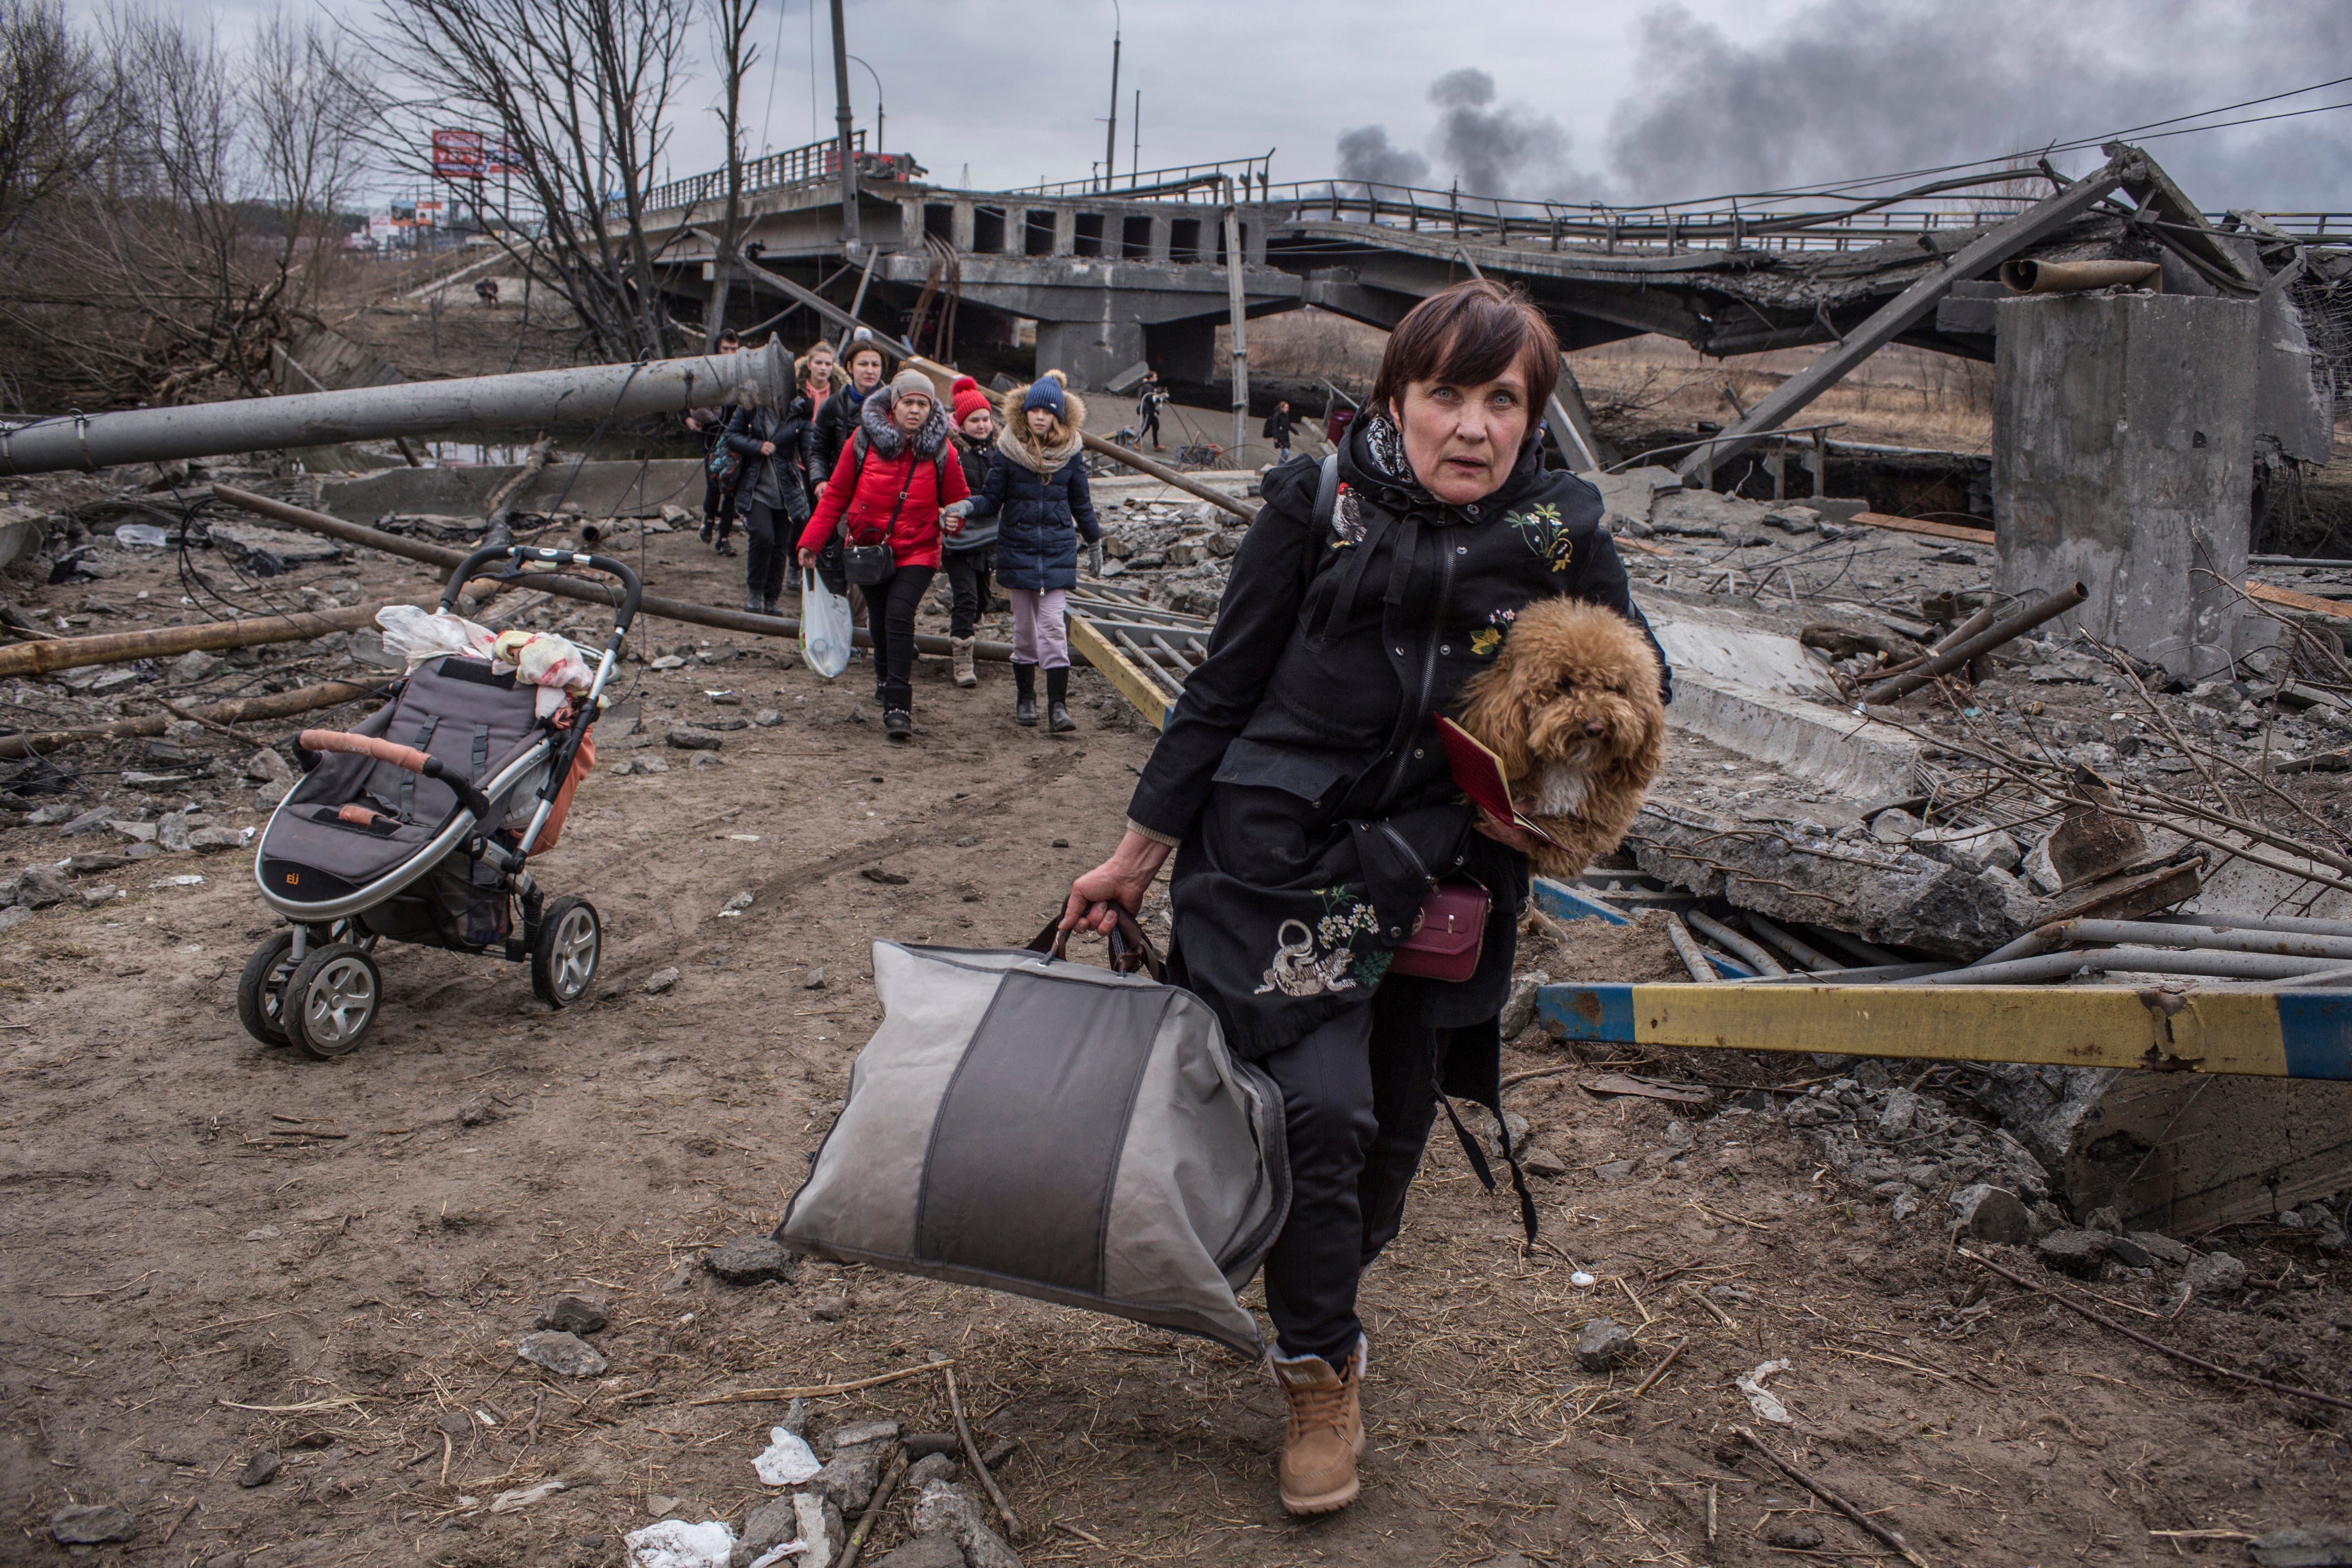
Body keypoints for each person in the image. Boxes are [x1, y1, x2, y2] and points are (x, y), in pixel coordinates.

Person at [1057, 280, 1671, 1517]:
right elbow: (1219, 689)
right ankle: (1317, 1368)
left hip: (1444, 878)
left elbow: (1635, 696)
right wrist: (1137, 854)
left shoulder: (1561, 533)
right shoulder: (1315, 503)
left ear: (1531, 415)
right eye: (1445, 392)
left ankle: (1308, 1268)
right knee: (1320, 1115)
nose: (1471, 425)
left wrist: (1543, 804)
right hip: (1282, 861)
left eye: (1502, 400)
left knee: (1390, 1136)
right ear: (1396, 396)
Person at [798, 369, 969, 741]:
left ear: (931, 409)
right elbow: (837, 497)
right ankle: (882, 675)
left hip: (920, 548)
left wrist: (955, 520)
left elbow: (958, 500)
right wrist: (810, 542)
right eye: (908, 402)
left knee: (899, 614)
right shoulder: (861, 441)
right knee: (878, 619)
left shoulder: (942, 449)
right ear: (893, 405)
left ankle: (898, 704)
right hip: (868, 548)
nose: (915, 411)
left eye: (922, 404)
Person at [944, 370, 1101, 733]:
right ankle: (1026, 697)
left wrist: (1094, 540)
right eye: (1035, 411)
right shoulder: (1009, 451)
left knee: (1051, 626)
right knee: (1025, 632)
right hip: (1018, 549)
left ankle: (1058, 707)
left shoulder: (1071, 453)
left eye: (1048, 412)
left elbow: (1082, 502)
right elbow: (992, 498)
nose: (1041, 417)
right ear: (1025, 413)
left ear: (1058, 416)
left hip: (1057, 552)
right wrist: (967, 507)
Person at [943, 375, 999, 690]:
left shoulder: (997, 454)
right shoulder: (951, 453)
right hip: (958, 537)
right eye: (974, 420)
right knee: (965, 598)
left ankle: (966, 630)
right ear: (960, 423)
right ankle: (962, 660)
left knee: (981, 601)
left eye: (985, 419)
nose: (981, 425)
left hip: (987, 537)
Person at [688, 328, 745, 555]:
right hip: (712, 435)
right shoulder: (707, 370)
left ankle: (724, 537)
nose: (730, 353)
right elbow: (686, 398)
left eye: (734, 349)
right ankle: (709, 518)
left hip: (737, 434)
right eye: (725, 349)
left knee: (731, 486)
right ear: (717, 349)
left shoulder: (742, 372)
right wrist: (688, 419)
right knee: (714, 482)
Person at [808, 332, 886, 491]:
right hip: (842, 485)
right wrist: (820, 480)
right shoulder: (833, 405)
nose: (870, 371)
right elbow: (818, 450)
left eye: (875, 365)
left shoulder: (893, 405)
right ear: (850, 367)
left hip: (881, 489)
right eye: (863, 364)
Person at [1136, 369, 1167, 451]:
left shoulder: (1151, 386)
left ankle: (1156, 445)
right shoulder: (1147, 386)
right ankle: (1135, 441)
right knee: (1145, 427)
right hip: (1148, 411)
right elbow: (1150, 398)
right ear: (1151, 378)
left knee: (1156, 426)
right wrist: (1158, 398)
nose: (1157, 378)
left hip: (1152, 410)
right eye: (1155, 377)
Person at [1263, 398, 1297, 464]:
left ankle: (1282, 464)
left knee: (1286, 453)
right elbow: (1274, 428)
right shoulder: (1277, 417)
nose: (1287, 409)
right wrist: (1276, 438)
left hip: (1285, 439)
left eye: (1287, 408)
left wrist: (1297, 432)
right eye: (1285, 407)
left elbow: (1289, 426)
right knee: (1286, 452)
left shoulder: (1286, 417)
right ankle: (1280, 465)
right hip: (1280, 439)